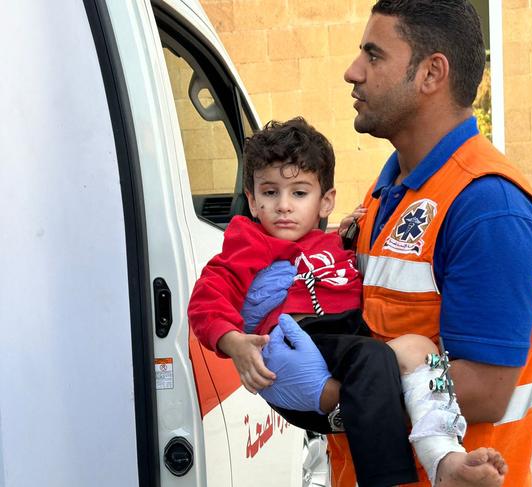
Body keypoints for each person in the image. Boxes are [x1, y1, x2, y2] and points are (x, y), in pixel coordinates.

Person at [243, 2, 532, 487]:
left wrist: (328, 394)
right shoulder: (389, 189)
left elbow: (488, 391)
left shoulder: (489, 210)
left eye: (374, 55)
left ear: (431, 73)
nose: (353, 72)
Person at [188, 117, 507, 487]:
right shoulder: (250, 241)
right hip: (303, 335)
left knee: (420, 350)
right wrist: (234, 342)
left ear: (325, 202)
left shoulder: (333, 240)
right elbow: (207, 296)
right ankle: (386, 480)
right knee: (375, 358)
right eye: (270, 192)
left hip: (351, 335)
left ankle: (442, 457)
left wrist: (348, 234)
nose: (284, 206)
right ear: (252, 200)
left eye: (299, 193)